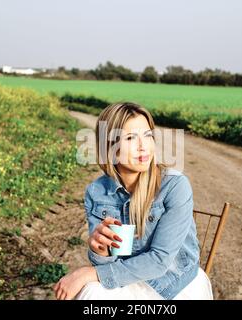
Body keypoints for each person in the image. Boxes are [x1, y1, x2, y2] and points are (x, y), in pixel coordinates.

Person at [54, 102, 213, 300]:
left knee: (88, 282)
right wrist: (100, 252)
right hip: (127, 279)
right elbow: (107, 267)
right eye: (131, 138)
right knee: (91, 293)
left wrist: (87, 272)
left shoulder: (174, 186)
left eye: (148, 136)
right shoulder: (96, 192)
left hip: (173, 284)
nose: (143, 146)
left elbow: (159, 260)